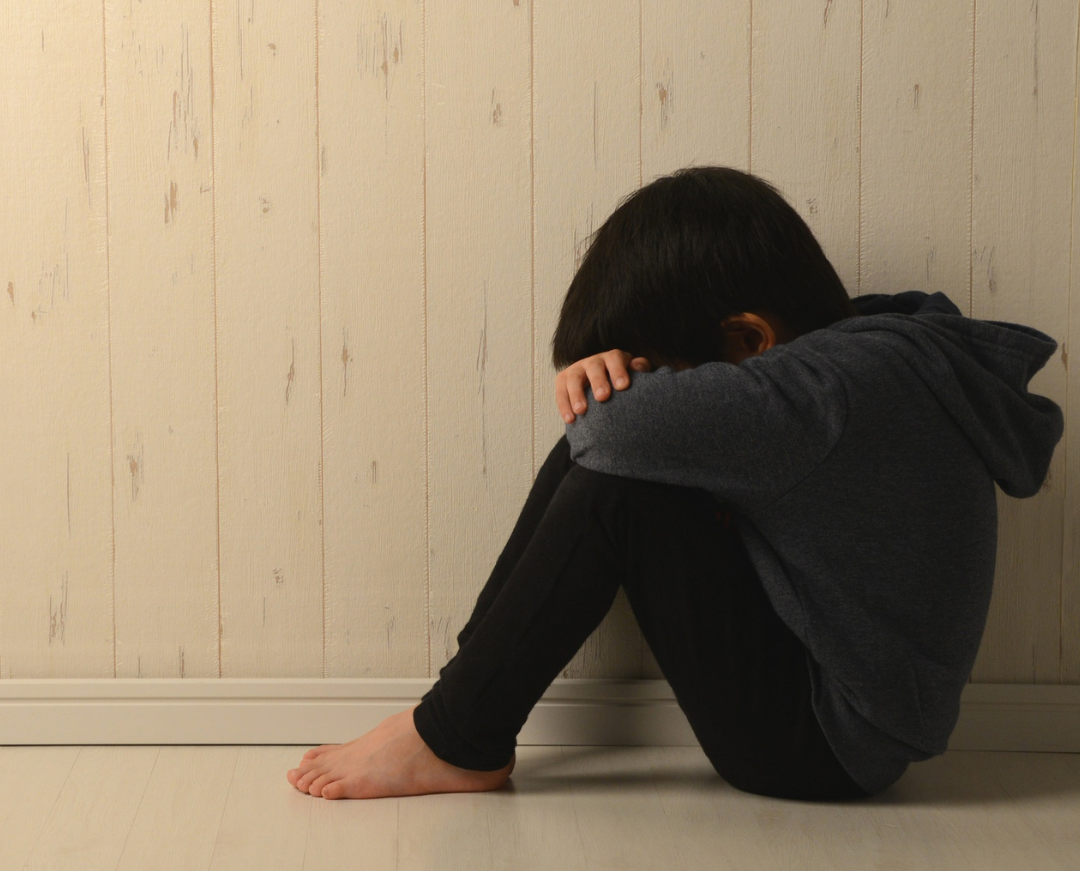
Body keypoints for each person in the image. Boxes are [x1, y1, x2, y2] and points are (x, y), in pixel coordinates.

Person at [286, 166, 1063, 802]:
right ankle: (461, 712)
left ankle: (457, 733)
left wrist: (609, 393)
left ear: (750, 340)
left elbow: (605, 433)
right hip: (833, 707)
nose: (661, 391)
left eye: (667, 375)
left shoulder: (828, 391)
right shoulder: (860, 367)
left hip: (823, 748)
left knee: (617, 478)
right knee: (610, 453)